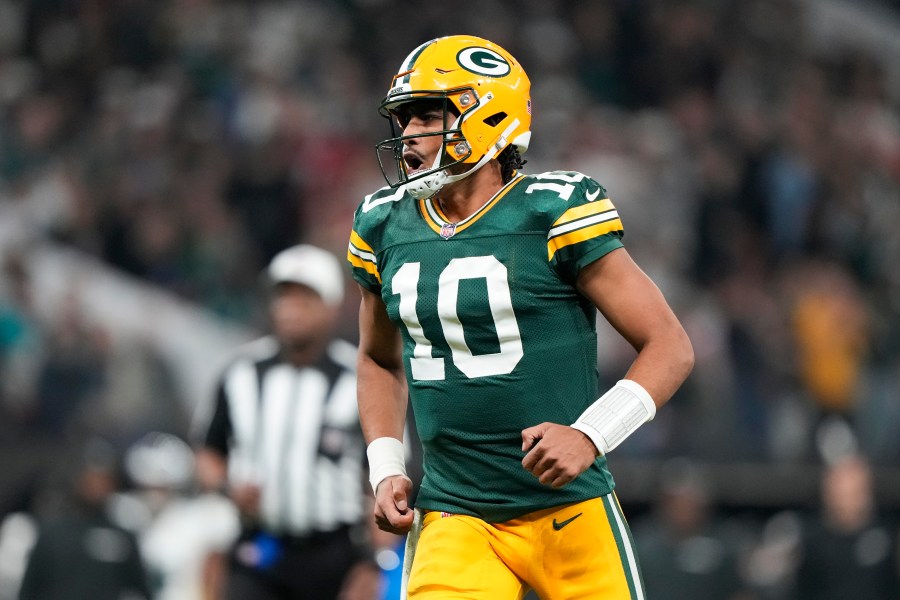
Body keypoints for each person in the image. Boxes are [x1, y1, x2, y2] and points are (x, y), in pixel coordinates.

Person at [347, 35, 694, 599]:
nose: (409, 136)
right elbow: (377, 359)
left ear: (488, 114)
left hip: (568, 508)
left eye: (427, 115)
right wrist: (386, 464)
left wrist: (591, 435)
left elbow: (670, 346)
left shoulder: (552, 210)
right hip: (456, 513)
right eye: (404, 119)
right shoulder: (384, 224)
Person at [195, 244, 382, 600]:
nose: (290, 309)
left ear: (330, 305)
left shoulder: (361, 378)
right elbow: (208, 451)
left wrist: (374, 562)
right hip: (260, 546)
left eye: (304, 298)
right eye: (283, 297)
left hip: (334, 554)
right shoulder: (239, 372)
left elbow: (384, 481)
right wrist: (227, 489)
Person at [19, 437, 151, 600]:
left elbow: (141, 590)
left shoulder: (122, 537)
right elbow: (29, 589)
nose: (97, 485)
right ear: (78, 478)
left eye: (104, 479)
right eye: (92, 477)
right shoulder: (52, 534)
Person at [793, 454, 899, 600]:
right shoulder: (813, 541)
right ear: (827, 494)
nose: (848, 501)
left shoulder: (887, 533)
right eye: (842, 494)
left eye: (855, 493)